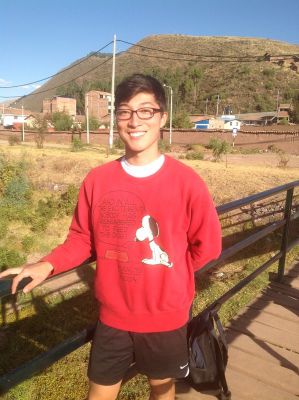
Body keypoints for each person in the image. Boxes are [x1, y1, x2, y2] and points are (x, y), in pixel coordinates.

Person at [0, 74, 222, 400]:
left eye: (146, 111)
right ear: (116, 118)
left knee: (162, 392)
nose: (135, 121)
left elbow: (209, 246)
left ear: (162, 117)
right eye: (125, 111)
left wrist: (170, 276)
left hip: (166, 318)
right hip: (113, 318)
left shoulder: (187, 183)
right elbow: (81, 239)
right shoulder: (97, 180)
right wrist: (45, 265)